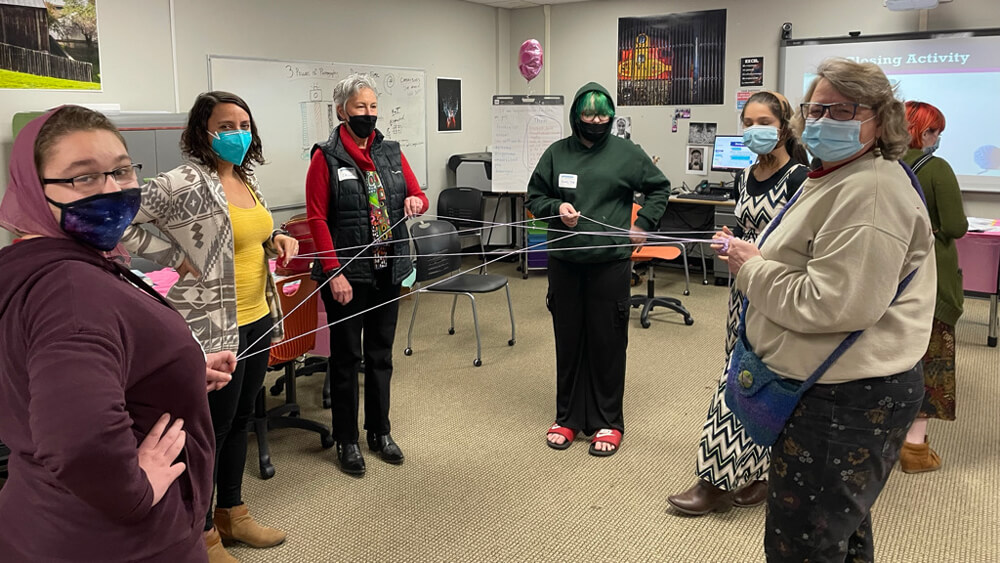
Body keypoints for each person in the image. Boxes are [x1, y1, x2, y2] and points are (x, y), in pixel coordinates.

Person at [716, 58, 935, 561]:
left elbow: (833, 304)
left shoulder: (871, 192)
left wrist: (751, 268)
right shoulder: (838, 175)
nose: (822, 120)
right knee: (835, 532)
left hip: (844, 396)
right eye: (816, 108)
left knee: (806, 545)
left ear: (881, 119)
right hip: (829, 386)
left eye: (843, 110)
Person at [0, 106, 237, 561]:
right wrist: (135, 491)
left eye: (122, 171)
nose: (112, 189)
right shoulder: (71, 289)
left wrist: (178, 373)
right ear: (35, 188)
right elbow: (77, 438)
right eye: (83, 177)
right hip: (117, 538)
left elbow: (64, 374)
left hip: (48, 519)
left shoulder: (38, 266)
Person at [120, 92, 295, 562]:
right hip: (211, 329)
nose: (237, 133)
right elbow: (121, 216)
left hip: (258, 316)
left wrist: (276, 237)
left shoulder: (244, 178)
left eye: (244, 124)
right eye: (226, 125)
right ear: (203, 131)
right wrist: (173, 256)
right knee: (208, 433)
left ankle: (231, 514)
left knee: (240, 420)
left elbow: (249, 232)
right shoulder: (185, 181)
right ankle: (199, 531)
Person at [667, 91, 810, 516]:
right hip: (740, 292)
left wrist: (755, 253)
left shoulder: (800, 178)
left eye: (762, 122)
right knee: (745, 374)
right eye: (746, 122)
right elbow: (748, 226)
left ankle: (715, 482)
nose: (752, 130)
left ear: (783, 126)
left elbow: (803, 245)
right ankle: (757, 472)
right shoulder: (747, 175)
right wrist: (728, 241)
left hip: (775, 292)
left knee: (747, 382)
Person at [527, 82, 671, 457]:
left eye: (603, 114)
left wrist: (644, 225)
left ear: (611, 116)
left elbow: (659, 188)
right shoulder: (557, 154)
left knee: (607, 342)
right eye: (589, 114)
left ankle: (608, 421)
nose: (596, 121)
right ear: (577, 116)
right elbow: (534, 196)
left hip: (609, 264)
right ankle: (568, 418)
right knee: (570, 340)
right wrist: (556, 208)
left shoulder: (627, 154)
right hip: (566, 263)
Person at [305, 74, 428, 476]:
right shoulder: (325, 157)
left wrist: (415, 199)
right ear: (342, 111)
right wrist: (333, 271)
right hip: (346, 277)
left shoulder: (391, 152)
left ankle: (380, 432)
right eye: (361, 107)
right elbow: (317, 219)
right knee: (346, 359)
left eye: (373, 107)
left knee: (379, 357)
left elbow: (418, 194)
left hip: (387, 270)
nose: (368, 114)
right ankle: (347, 440)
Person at [900, 101, 967, 473]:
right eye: (933, 131)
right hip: (931, 280)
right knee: (931, 361)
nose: (937, 139)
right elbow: (956, 225)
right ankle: (914, 448)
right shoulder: (936, 168)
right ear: (918, 131)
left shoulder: (880, 165)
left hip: (890, 280)